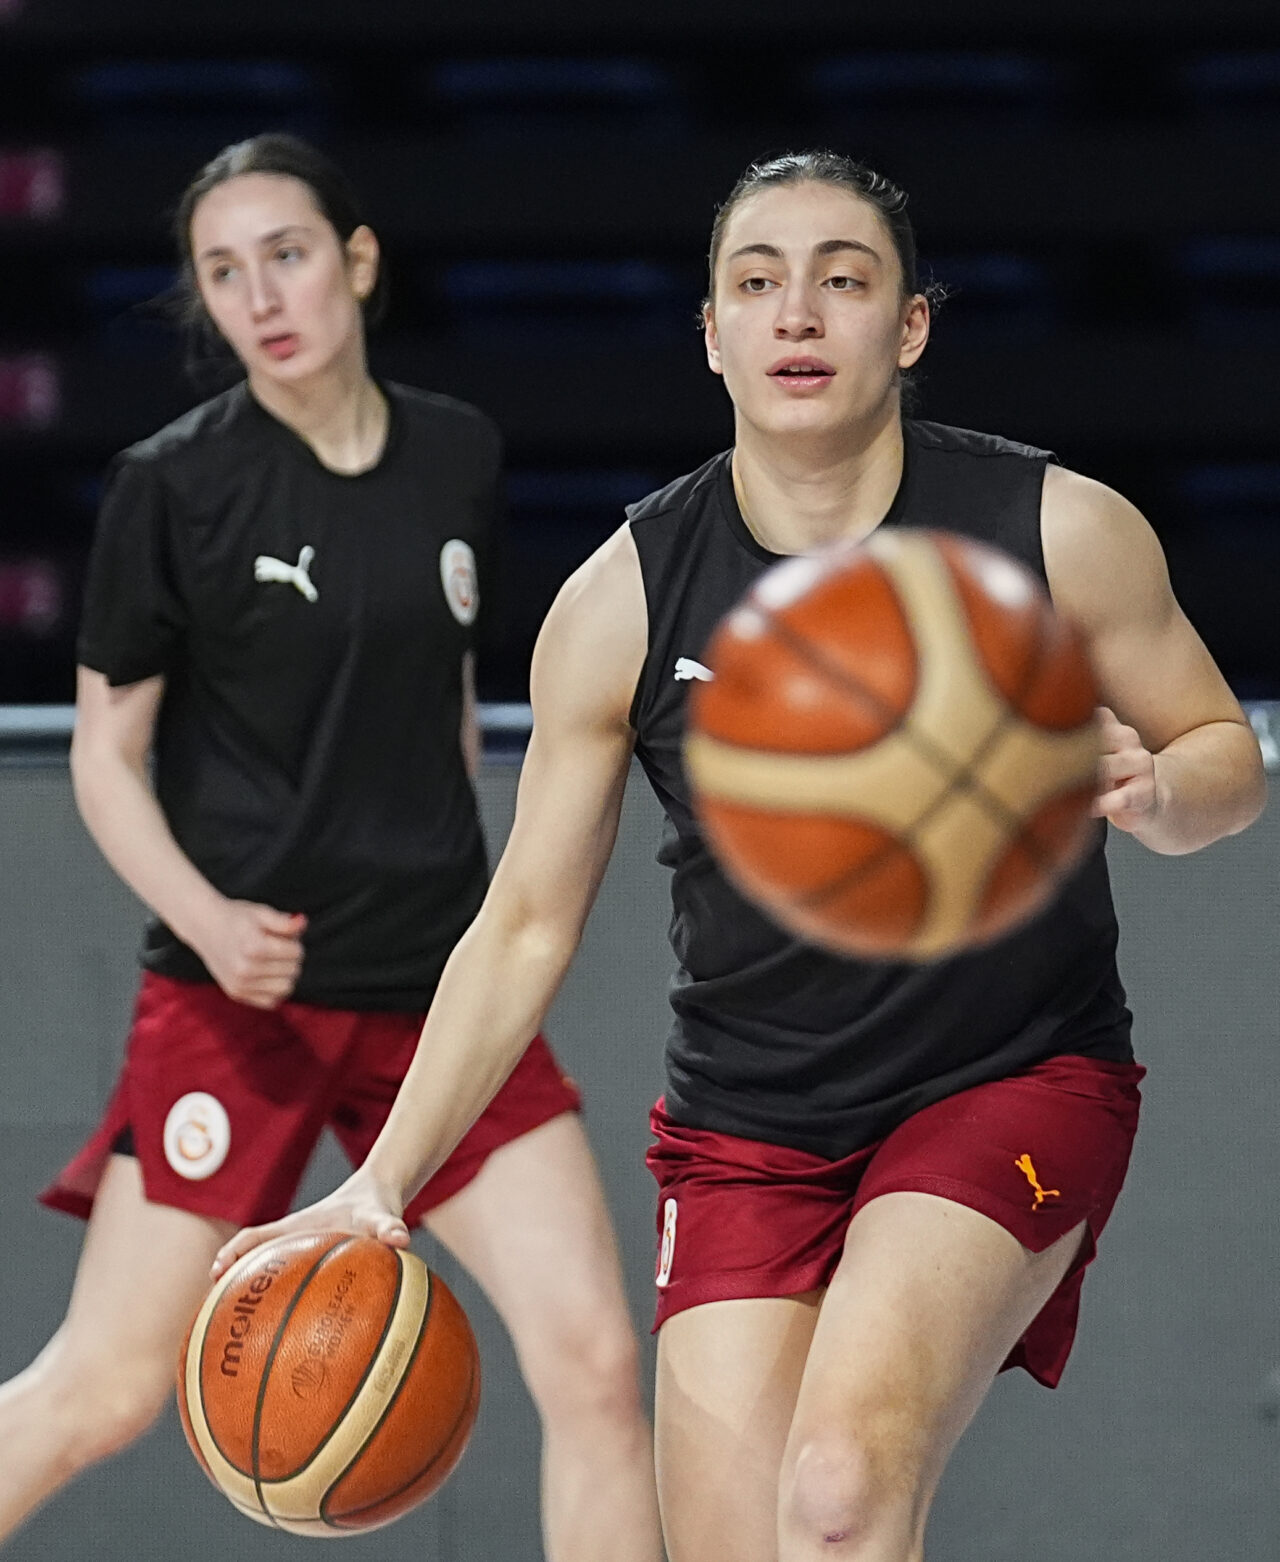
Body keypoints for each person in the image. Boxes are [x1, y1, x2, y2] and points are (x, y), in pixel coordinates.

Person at [213, 150, 1267, 1562]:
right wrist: (381, 1181)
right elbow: (524, 923)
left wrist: (1155, 789)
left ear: (911, 325)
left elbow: (1225, 756)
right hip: (751, 1128)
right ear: (711, 334)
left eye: (845, 280)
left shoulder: (1055, 530)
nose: (798, 314)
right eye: (758, 283)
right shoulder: (624, 599)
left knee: (835, 1492)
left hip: (1008, 1075)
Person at [0, 135, 663, 1562]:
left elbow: (448, 705)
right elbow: (106, 757)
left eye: (287, 255)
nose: (260, 296)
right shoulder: (172, 485)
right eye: (222, 272)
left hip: (438, 998)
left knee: (601, 1369)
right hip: (240, 1005)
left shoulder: (458, 452)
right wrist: (208, 915)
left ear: (357, 262)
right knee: (104, 1390)